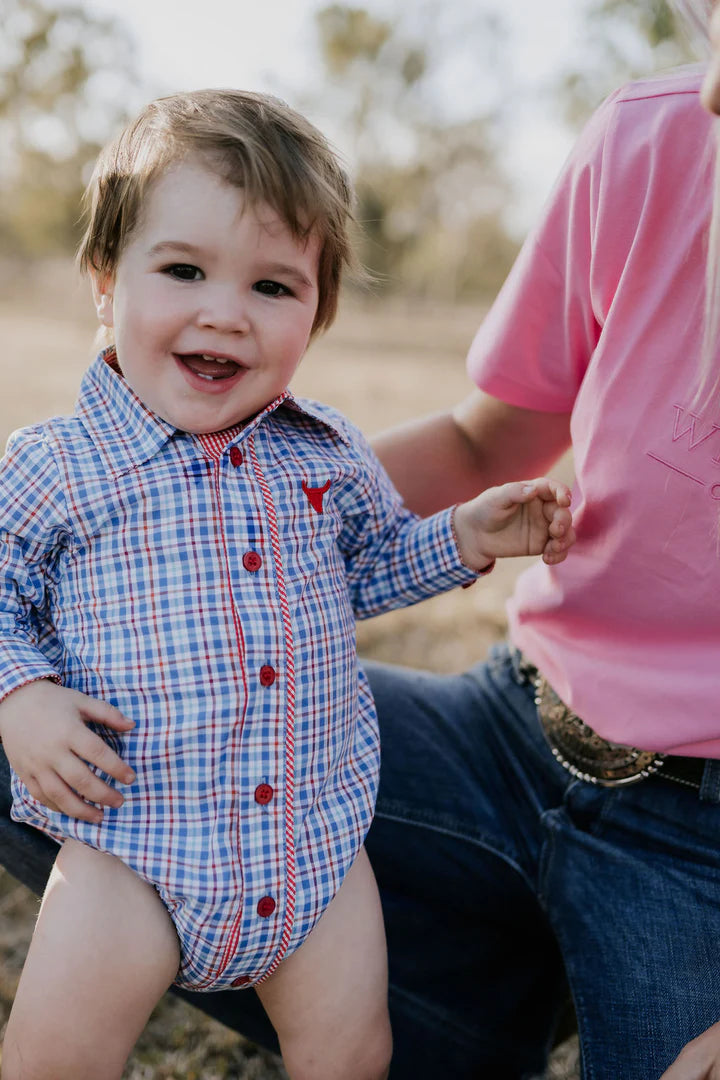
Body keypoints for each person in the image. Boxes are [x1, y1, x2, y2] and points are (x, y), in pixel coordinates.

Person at [0, 88, 575, 1080]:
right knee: (57, 1056)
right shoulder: (56, 468)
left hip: (313, 845)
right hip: (133, 849)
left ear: (319, 311)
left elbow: (368, 566)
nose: (226, 312)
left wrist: (464, 536)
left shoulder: (326, 454)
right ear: (105, 279)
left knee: (353, 1051)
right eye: (183, 270)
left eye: (275, 287)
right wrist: (21, 693)